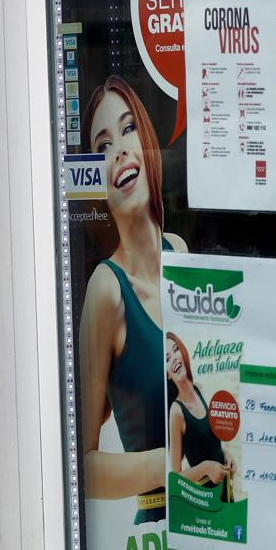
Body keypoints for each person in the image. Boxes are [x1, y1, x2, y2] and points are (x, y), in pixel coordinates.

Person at [79, 75, 188, 524]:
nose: (119, 150)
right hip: (155, 544)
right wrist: (169, 465)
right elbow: (80, 465)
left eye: (126, 130)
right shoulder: (105, 291)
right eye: (102, 145)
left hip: (215, 517)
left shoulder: (180, 252)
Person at [165, 333, 236, 499]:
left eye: (176, 350)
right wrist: (204, 468)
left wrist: (226, 456)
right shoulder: (176, 412)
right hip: (205, 501)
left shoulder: (200, 390)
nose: (174, 358)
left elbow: (209, 445)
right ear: (167, 374)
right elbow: (175, 479)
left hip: (226, 493)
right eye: (167, 359)